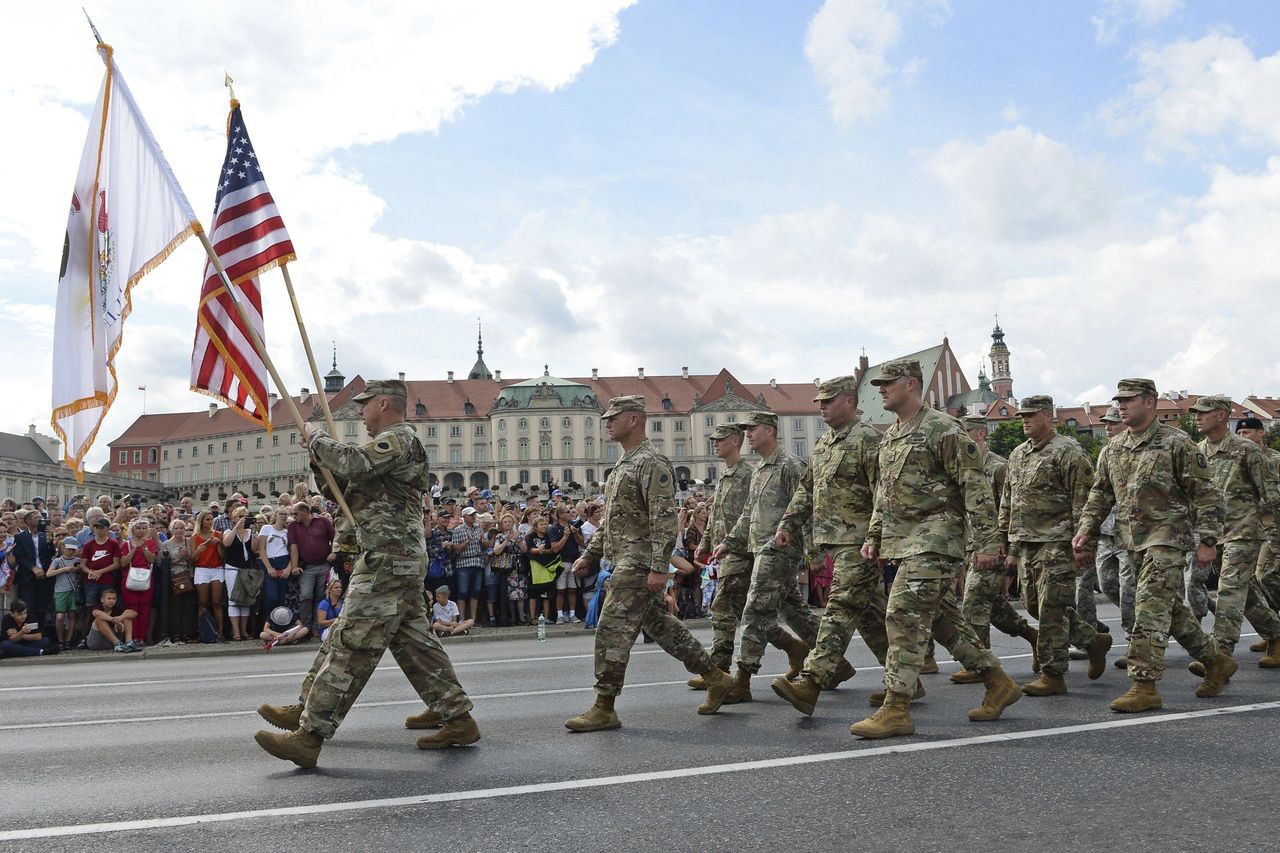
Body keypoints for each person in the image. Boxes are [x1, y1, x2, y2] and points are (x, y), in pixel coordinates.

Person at [254, 379, 479, 768]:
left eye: (364, 405)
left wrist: (319, 437)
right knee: (413, 642)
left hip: (389, 559)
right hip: (390, 557)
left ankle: (310, 734)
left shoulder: (400, 439)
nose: (359, 412)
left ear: (384, 404)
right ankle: (456, 715)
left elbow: (354, 464)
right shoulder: (385, 447)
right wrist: (316, 455)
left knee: (352, 644)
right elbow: (343, 485)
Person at [853, 359, 1021, 739]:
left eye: (888, 383)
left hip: (937, 540)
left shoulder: (942, 428)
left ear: (911, 384)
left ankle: (896, 707)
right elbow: (884, 494)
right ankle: (998, 681)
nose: (881, 389)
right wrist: (875, 536)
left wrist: (987, 541)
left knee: (901, 616)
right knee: (944, 620)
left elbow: (974, 486)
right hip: (904, 542)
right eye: (878, 383)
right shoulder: (893, 435)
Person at [564, 396, 733, 731]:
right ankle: (716, 677)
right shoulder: (623, 465)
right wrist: (590, 554)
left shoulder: (651, 462)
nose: (607, 423)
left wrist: (659, 567)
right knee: (661, 626)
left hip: (639, 562)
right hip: (625, 558)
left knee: (611, 629)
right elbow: (611, 520)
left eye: (615, 417)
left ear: (635, 420)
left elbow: (665, 519)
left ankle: (604, 705)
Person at [1074, 378, 1236, 712]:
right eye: (1119, 400)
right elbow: (1100, 495)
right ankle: (1216, 661)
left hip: (1169, 540)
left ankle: (1144, 684)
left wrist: (1208, 541)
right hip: (1131, 541)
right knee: (1170, 611)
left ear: (1149, 402)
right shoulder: (1113, 449)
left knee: (1148, 607)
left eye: (1129, 399)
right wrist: (1085, 531)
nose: (1122, 405)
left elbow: (1206, 496)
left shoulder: (1177, 443)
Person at [771, 375, 881, 716]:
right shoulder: (824, 444)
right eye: (818, 401)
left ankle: (812, 682)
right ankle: (904, 678)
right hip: (834, 541)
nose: (821, 407)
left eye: (827, 401)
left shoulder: (868, 439)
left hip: (859, 543)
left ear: (848, 401)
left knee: (840, 608)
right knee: (871, 616)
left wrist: (878, 537)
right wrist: (788, 523)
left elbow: (883, 493)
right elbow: (807, 490)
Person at [997, 395, 1111, 697]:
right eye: (1022, 415)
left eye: (1031, 415)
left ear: (1049, 416)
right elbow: (1008, 501)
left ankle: (1053, 673)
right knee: (1034, 604)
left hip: (1058, 542)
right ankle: (1092, 640)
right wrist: (1006, 542)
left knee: (1051, 608)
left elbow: (1085, 502)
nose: (1024, 420)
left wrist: (1084, 543)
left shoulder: (1068, 451)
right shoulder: (1018, 454)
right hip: (1026, 543)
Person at [709, 411, 818, 707]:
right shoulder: (760, 469)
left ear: (769, 430)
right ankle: (829, 661)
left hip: (780, 550)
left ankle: (742, 681)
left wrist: (814, 551)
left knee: (755, 611)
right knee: (794, 611)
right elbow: (749, 515)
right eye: (745, 429)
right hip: (759, 548)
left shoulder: (790, 466)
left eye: (752, 429)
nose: (747, 434)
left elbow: (809, 507)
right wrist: (728, 542)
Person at [1188, 395, 1280, 667]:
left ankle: (1217, 658)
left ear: (1221, 416)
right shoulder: (1197, 451)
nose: (1197, 417)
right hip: (1214, 535)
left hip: (1245, 531)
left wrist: (1276, 536)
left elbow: (1272, 495)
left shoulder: (1246, 450)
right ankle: (1276, 634)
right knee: (1247, 592)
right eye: (1196, 413)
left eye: (1204, 412)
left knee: (1228, 590)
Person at [947, 415, 1040, 684]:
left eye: (964, 433)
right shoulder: (961, 465)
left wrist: (1009, 547)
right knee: (992, 605)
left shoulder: (999, 467)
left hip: (994, 544)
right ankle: (1032, 635)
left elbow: (1012, 508)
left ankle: (980, 663)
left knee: (974, 600)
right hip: (969, 544)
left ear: (980, 435)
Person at [1089, 406, 1137, 668]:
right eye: (1106, 423)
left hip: (1131, 531)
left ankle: (1135, 641)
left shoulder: (1137, 450)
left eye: (1113, 423)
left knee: (1129, 586)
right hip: (1107, 530)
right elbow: (1099, 491)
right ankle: (1159, 621)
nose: (1108, 427)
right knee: (1107, 583)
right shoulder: (1107, 452)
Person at [288, 502, 335, 636]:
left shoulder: (323, 521)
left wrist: (334, 552)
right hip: (307, 567)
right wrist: (295, 565)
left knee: (321, 596)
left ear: (304, 511)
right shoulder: (293, 526)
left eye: (295, 513)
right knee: (306, 596)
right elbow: (294, 546)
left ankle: (317, 627)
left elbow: (334, 538)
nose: (293, 516)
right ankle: (306, 627)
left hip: (324, 564)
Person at [10, 510, 54, 631]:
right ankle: (29, 631)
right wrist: (33, 568)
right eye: (36, 517)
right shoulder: (20, 536)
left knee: (41, 606)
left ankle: (40, 632)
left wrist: (50, 541)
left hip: (43, 576)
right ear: (28, 521)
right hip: (27, 577)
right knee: (28, 606)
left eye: (40, 517)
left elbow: (50, 554)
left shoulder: (44, 534)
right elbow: (19, 556)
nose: (40, 519)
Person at [119, 519, 158, 646]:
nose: (141, 531)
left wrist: (144, 548)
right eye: (138, 528)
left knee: (145, 608)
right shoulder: (126, 544)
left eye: (144, 528)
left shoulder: (150, 543)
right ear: (133, 529)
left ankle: (141, 637)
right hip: (129, 577)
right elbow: (123, 563)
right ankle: (132, 636)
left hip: (145, 577)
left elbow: (152, 559)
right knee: (131, 608)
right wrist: (133, 551)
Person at [221, 507, 257, 642]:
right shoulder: (229, 531)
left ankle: (243, 630)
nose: (242, 519)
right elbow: (226, 543)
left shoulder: (250, 532)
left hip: (246, 569)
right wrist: (236, 527)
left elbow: (254, 548)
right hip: (232, 568)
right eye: (239, 516)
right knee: (233, 600)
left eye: (245, 516)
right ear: (233, 519)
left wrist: (254, 532)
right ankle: (236, 631)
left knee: (245, 601)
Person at [191, 511, 225, 640]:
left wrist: (219, 544)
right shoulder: (195, 537)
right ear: (201, 521)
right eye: (207, 519)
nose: (210, 522)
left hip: (216, 568)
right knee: (202, 603)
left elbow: (223, 557)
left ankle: (221, 632)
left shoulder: (218, 534)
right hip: (202, 569)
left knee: (217, 602)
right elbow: (192, 559)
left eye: (211, 519)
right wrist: (198, 551)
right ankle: (203, 632)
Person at [448, 507, 486, 625]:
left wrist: (481, 541)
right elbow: (457, 550)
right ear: (464, 517)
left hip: (477, 563)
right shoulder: (458, 530)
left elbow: (485, 545)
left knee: (475, 592)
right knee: (462, 593)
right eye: (471, 515)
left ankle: (473, 619)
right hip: (463, 564)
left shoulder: (479, 529)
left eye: (474, 515)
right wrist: (467, 541)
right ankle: (462, 619)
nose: (473, 517)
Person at [550, 507, 584, 623]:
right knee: (560, 590)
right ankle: (559, 615)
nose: (570, 514)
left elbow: (581, 542)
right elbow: (555, 548)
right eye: (567, 512)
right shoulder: (554, 528)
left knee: (572, 589)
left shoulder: (574, 525)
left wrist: (575, 533)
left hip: (574, 561)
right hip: (561, 562)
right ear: (560, 515)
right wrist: (565, 537)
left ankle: (572, 614)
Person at [48, 537, 82, 651]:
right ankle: (60, 640)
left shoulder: (77, 560)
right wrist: (64, 569)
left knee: (72, 616)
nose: (71, 551)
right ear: (62, 547)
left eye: (73, 549)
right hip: (60, 591)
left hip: (73, 590)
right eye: (69, 549)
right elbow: (49, 573)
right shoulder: (57, 560)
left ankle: (68, 640)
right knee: (60, 616)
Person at [525, 515, 560, 624]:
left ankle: (546, 617)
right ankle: (532, 617)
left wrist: (545, 551)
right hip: (535, 569)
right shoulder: (531, 536)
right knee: (533, 595)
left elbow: (551, 550)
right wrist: (538, 550)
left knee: (546, 595)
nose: (544, 526)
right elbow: (530, 550)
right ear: (536, 527)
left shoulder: (548, 537)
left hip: (546, 569)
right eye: (541, 524)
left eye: (545, 524)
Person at [258, 508, 293, 617]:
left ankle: (280, 623)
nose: (283, 516)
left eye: (286, 514)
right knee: (270, 597)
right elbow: (261, 548)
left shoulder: (287, 532)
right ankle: (268, 622)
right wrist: (268, 567)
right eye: (281, 513)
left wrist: (288, 568)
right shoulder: (266, 528)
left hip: (284, 561)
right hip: (270, 562)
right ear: (275, 515)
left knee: (280, 598)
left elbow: (293, 552)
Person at [86, 588, 138, 652]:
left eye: (114, 599)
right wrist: (113, 620)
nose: (112, 601)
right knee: (99, 619)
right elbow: (96, 613)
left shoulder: (117, 608)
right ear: (102, 600)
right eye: (109, 599)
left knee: (127, 616)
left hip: (112, 641)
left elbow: (134, 613)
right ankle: (117, 644)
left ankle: (129, 643)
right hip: (96, 641)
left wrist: (121, 617)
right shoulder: (97, 607)